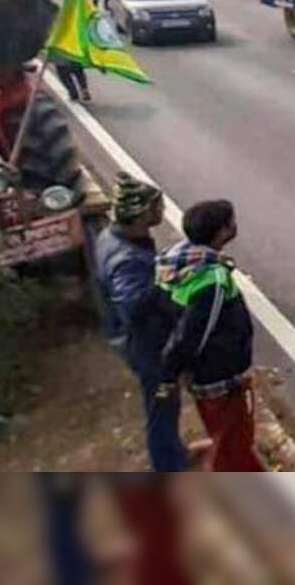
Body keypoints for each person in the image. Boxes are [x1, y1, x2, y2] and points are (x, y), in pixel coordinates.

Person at [157, 200, 262, 472]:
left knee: (230, 438)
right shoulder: (211, 280)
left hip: (201, 375)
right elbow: (193, 335)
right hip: (220, 376)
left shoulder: (177, 261)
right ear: (219, 233)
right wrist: (170, 372)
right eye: (231, 223)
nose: (235, 226)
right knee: (233, 446)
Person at [96, 172, 188, 472]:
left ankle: (174, 454)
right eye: (155, 208)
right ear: (140, 214)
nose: (161, 212)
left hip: (139, 342)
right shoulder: (127, 261)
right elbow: (134, 306)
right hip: (149, 349)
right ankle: (169, 467)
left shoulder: (114, 237)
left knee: (165, 407)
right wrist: (168, 286)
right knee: (162, 408)